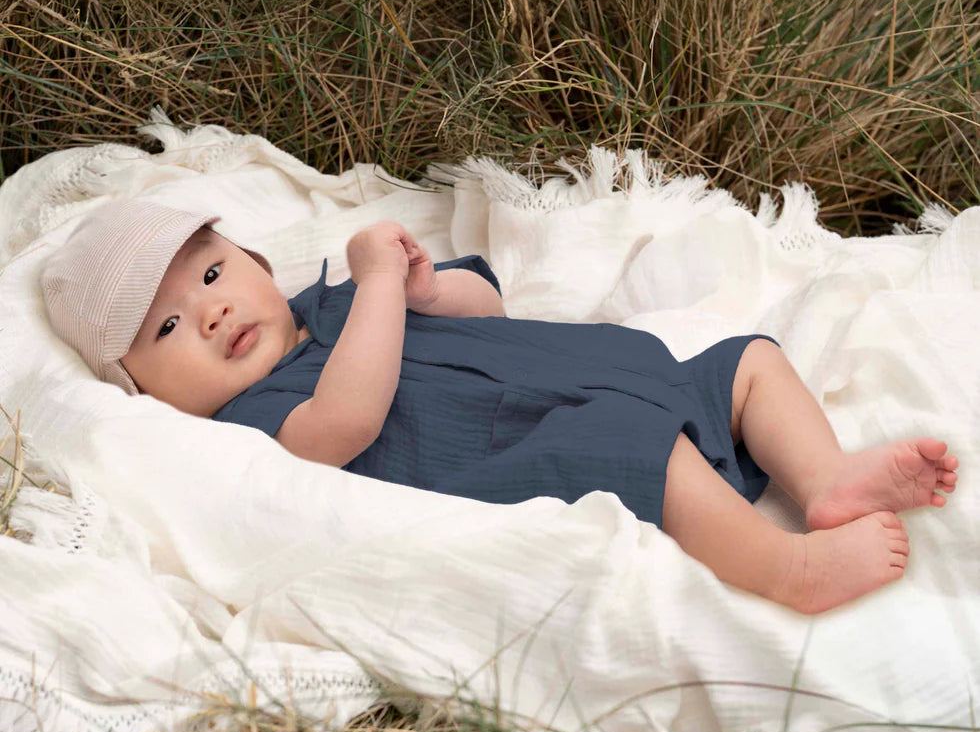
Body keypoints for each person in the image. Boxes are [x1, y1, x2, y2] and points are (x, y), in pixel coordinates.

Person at [42, 197, 958, 616]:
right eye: (167, 326)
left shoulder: (329, 302)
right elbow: (348, 420)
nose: (209, 312)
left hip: (588, 370)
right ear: (141, 390)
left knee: (747, 360)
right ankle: (784, 567)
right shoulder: (251, 422)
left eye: (211, 273)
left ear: (251, 260)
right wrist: (379, 289)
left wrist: (421, 286)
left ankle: (824, 477)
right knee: (631, 446)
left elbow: (487, 303)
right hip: (527, 444)